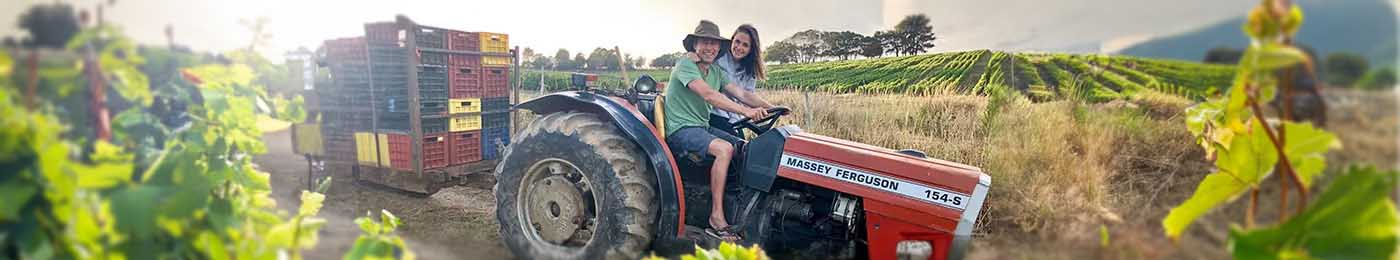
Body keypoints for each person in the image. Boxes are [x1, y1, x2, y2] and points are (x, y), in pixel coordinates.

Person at [663, 20, 768, 242]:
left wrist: (769, 107)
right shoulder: (686, 66)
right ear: (695, 45)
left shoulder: (716, 71)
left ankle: (742, 211)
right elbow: (710, 96)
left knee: (744, 149)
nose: (710, 48)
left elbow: (742, 93)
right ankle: (716, 217)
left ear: (719, 47)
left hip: (701, 126)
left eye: (714, 43)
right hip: (681, 129)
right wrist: (745, 112)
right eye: (705, 43)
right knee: (724, 149)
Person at [690, 24, 776, 137]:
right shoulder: (718, 57)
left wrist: (772, 108)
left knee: (748, 146)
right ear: (732, 41)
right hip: (713, 114)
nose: (739, 47)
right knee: (737, 147)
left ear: (751, 49)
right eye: (737, 42)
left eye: (745, 45)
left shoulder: (750, 70)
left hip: (734, 119)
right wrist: (692, 56)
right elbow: (701, 55)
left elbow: (746, 96)